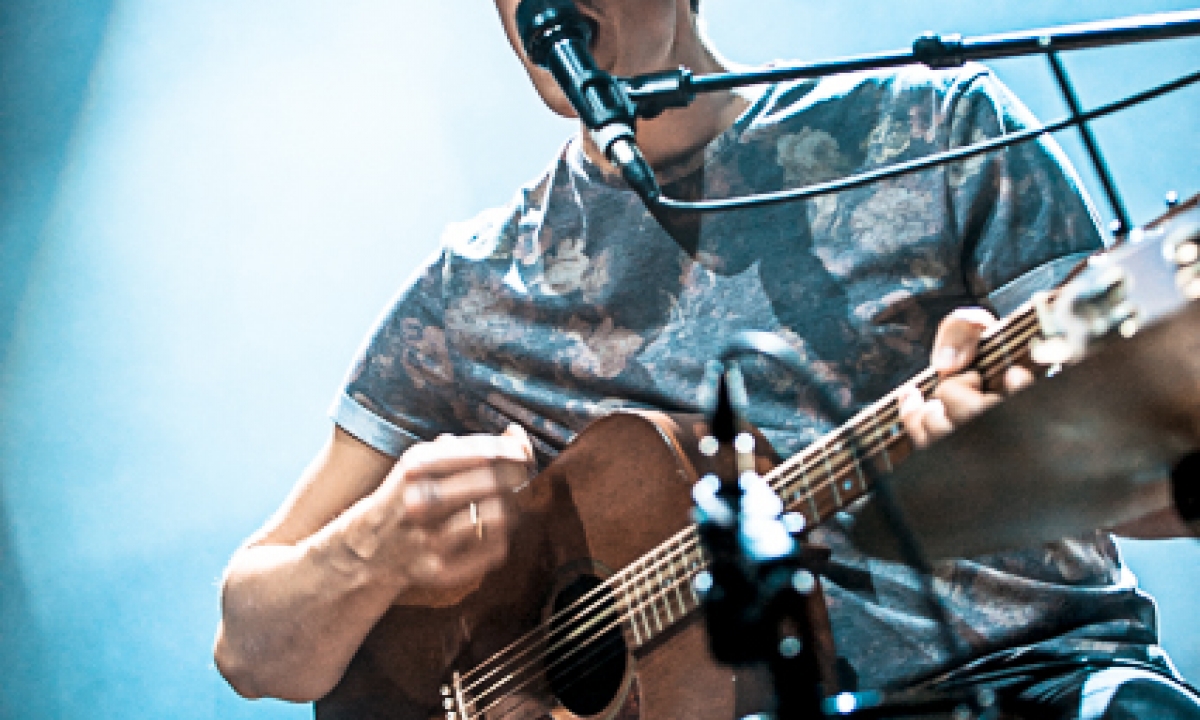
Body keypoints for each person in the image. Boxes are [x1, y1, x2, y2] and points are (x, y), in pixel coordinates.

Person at [214, 1, 1199, 718]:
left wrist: (1052, 454)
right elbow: (251, 647)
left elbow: (1167, 491)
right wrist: (370, 548)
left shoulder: (936, 127)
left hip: (1038, 685)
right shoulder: (469, 294)